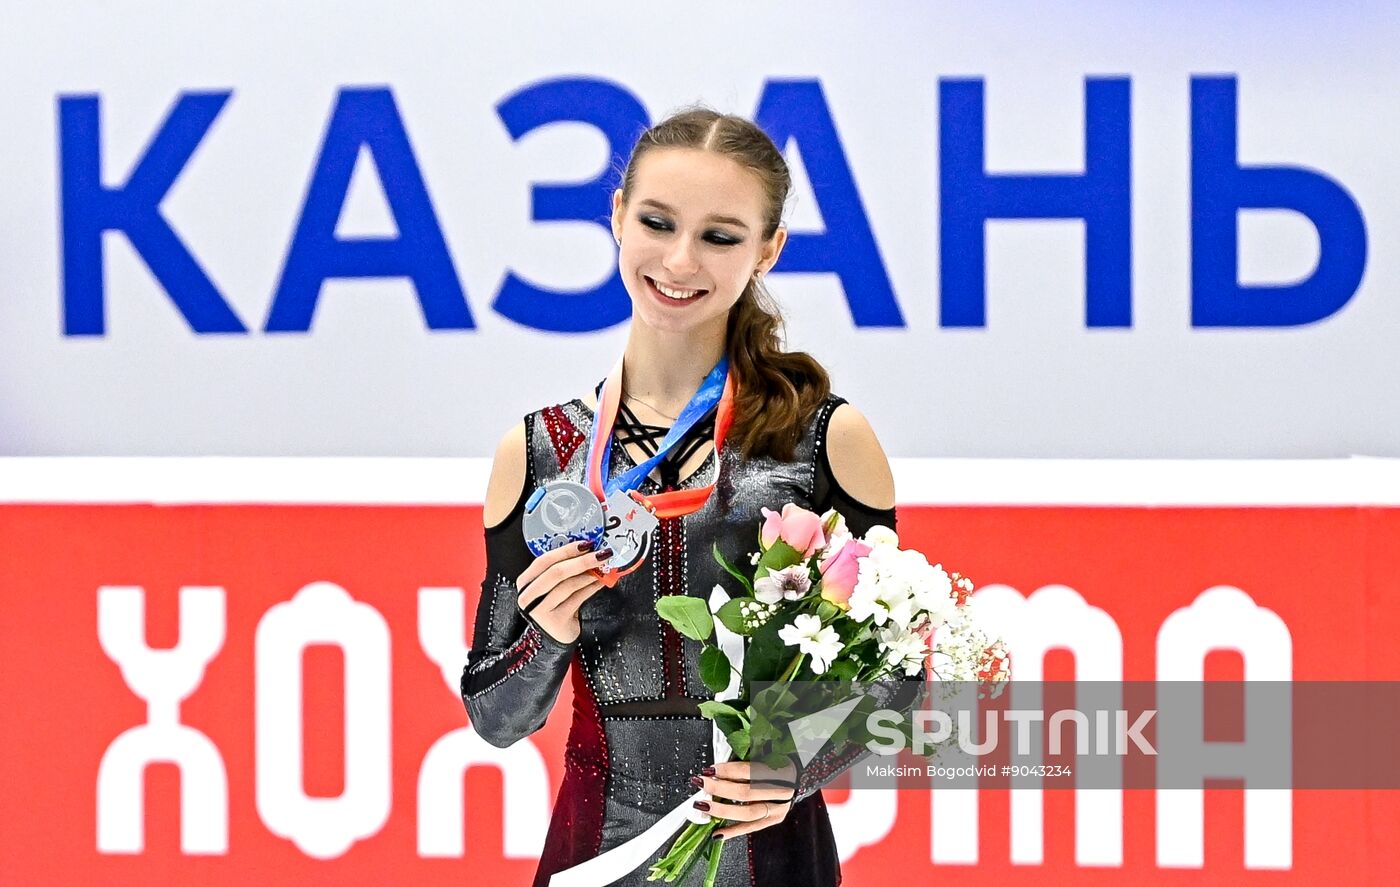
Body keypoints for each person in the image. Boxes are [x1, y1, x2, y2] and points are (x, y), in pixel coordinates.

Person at [460, 109, 897, 886]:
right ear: (618, 214)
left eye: (721, 236)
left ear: (770, 249)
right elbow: (495, 716)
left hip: (769, 855)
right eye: (658, 222)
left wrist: (796, 763)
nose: (680, 258)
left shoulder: (825, 437)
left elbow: (898, 677)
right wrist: (546, 632)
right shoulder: (538, 451)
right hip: (595, 852)